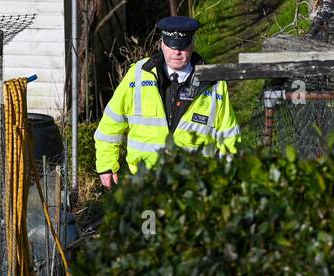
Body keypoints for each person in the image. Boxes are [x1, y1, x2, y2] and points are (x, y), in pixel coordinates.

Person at [94, 15, 239, 187]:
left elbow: (229, 136)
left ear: (192, 44)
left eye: (182, 46)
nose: (176, 52)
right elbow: (112, 122)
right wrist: (106, 165)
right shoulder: (138, 75)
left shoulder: (214, 83)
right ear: (162, 44)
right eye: (171, 45)